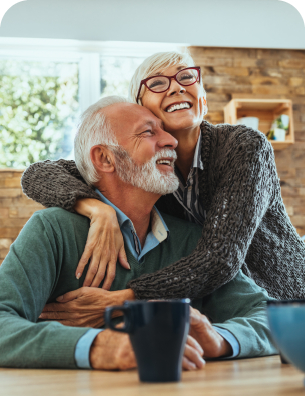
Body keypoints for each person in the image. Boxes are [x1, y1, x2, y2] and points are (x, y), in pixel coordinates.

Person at [0, 96, 276, 370]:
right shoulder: (52, 231)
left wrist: (220, 339)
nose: (171, 141)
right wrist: (99, 346)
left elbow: (272, 317)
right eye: (148, 132)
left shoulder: (192, 240)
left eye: (164, 131)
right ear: (105, 158)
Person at [21, 51, 305, 302]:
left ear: (203, 100)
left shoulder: (244, 146)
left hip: (283, 300)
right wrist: (97, 209)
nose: (177, 88)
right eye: (157, 83)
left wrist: (127, 298)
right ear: (140, 108)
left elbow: (221, 257)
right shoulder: (146, 169)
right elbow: (39, 174)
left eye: (186, 78)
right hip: (218, 305)